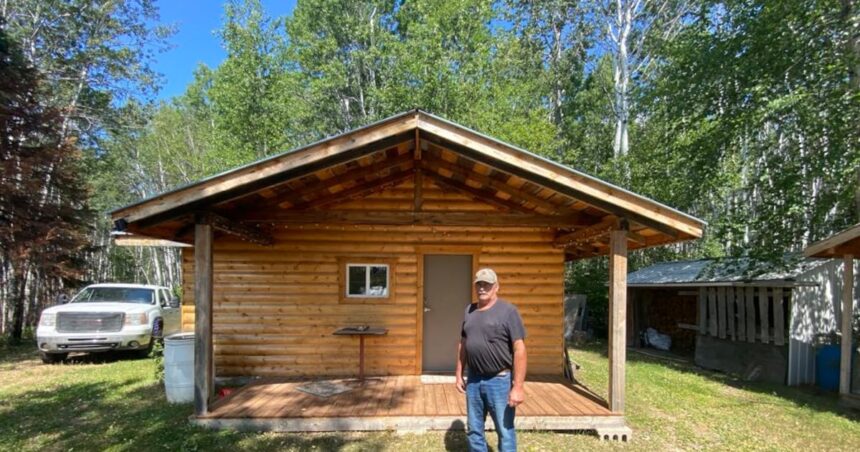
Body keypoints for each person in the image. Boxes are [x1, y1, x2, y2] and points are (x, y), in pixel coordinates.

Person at [455, 268, 527, 452]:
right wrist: (459, 373)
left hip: (499, 380)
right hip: (474, 380)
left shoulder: (508, 311)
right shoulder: (469, 310)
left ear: (496, 287)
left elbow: (519, 349)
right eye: (479, 284)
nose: (482, 288)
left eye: (487, 284)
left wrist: (518, 387)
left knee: (505, 431)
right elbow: (463, 343)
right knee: (474, 430)